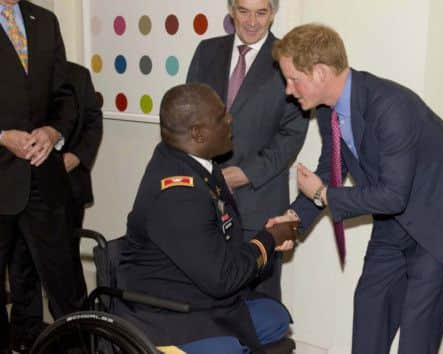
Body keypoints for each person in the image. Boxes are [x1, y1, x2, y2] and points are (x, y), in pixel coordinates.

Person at [269, 24, 443, 354]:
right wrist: (293, 220)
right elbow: (330, 170)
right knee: (368, 318)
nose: (289, 90)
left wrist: (322, 195)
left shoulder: (390, 106)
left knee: (416, 342)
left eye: (293, 79)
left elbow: (391, 194)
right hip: (393, 225)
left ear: (319, 72)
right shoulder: (325, 110)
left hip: (438, 227)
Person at [115, 83, 296, 354]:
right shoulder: (178, 194)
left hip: (201, 295)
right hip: (169, 314)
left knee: (277, 317)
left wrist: (268, 238)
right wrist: (268, 240)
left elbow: (223, 246)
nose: (230, 119)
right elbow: (222, 278)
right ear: (198, 133)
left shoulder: (197, 166)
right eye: (222, 116)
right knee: (234, 348)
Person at [186, 0, 308, 300]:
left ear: (273, 13)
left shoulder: (289, 60)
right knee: (207, 301)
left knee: (259, 306)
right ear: (231, 11)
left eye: (261, 12)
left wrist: (245, 173)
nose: (252, 21)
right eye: (243, 11)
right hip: (206, 202)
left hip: (260, 204)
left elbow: (292, 134)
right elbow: (188, 118)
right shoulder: (207, 51)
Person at [0, 1, 87, 353]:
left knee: (66, 286)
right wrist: (3, 137)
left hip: (43, 177)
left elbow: (65, 93)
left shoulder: (44, 20)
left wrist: (53, 132)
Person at [7, 61, 103, 353]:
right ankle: (26, 334)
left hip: (66, 189)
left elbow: (92, 121)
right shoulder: (11, 84)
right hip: (17, 192)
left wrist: (74, 158)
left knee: (66, 271)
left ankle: (78, 340)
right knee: (21, 268)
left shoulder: (75, 75)